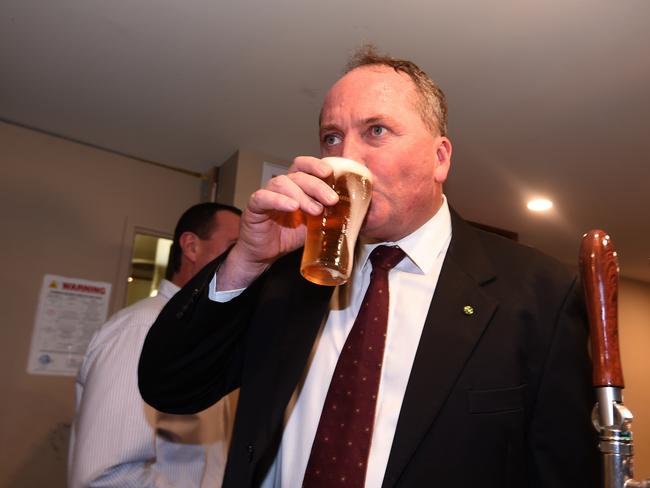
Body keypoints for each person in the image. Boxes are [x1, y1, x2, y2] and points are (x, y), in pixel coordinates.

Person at [138, 47, 600, 487]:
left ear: (440, 158)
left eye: (376, 130)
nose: (345, 157)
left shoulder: (542, 293)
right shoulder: (288, 277)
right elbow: (170, 384)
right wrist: (246, 259)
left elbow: (564, 471)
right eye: (332, 137)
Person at [69, 202, 242, 488]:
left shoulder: (208, 335)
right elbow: (108, 478)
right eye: (235, 246)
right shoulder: (142, 328)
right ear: (191, 247)